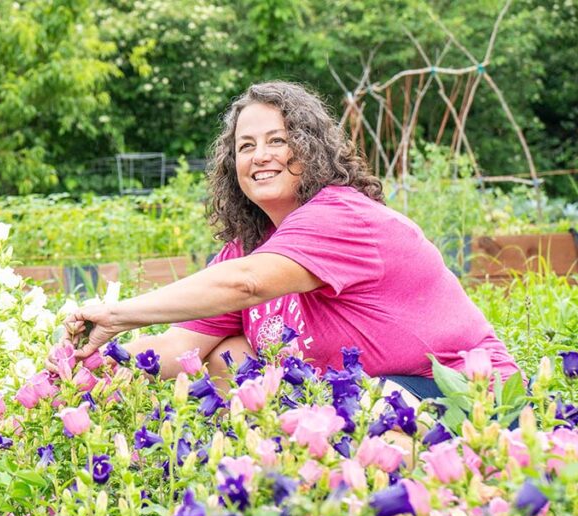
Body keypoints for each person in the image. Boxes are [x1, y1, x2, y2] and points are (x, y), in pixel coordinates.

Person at [62, 81, 518, 401]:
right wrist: (83, 363)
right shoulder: (249, 247)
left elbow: (245, 284)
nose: (260, 156)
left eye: (277, 140)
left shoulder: (343, 217)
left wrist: (119, 314)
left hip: (460, 394)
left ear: (309, 148)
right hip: (364, 399)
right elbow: (175, 350)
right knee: (229, 354)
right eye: (245, 146)